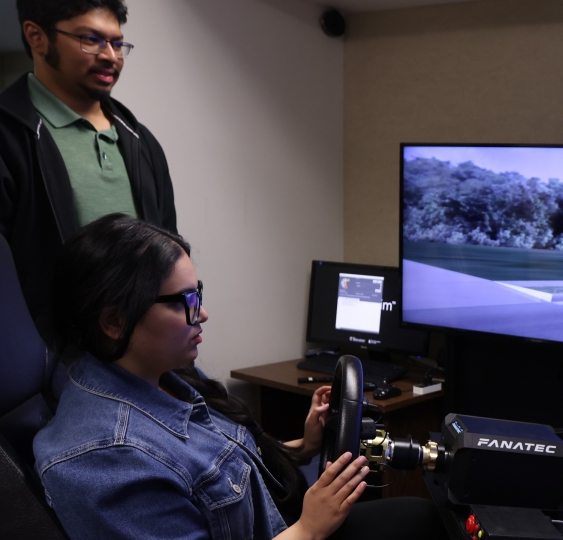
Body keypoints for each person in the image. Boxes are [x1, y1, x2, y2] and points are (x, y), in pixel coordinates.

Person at [33, 214, 445, 540]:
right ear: (114, 322)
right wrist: (309, 529)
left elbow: (217, 476)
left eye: (199, 294)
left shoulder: (166, 377)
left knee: (423, 514)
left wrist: (304, 445)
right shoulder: (105, 460)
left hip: (285, 521)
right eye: (186, 302)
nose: (203, 314)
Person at [0, 0, 176, 339]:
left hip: (143, 360)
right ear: (36, 37)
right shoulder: (9, 136)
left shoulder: (142, 142)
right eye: (91, 39)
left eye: (117, 42)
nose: (110, 55)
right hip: (48, 369)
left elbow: (169, 257)